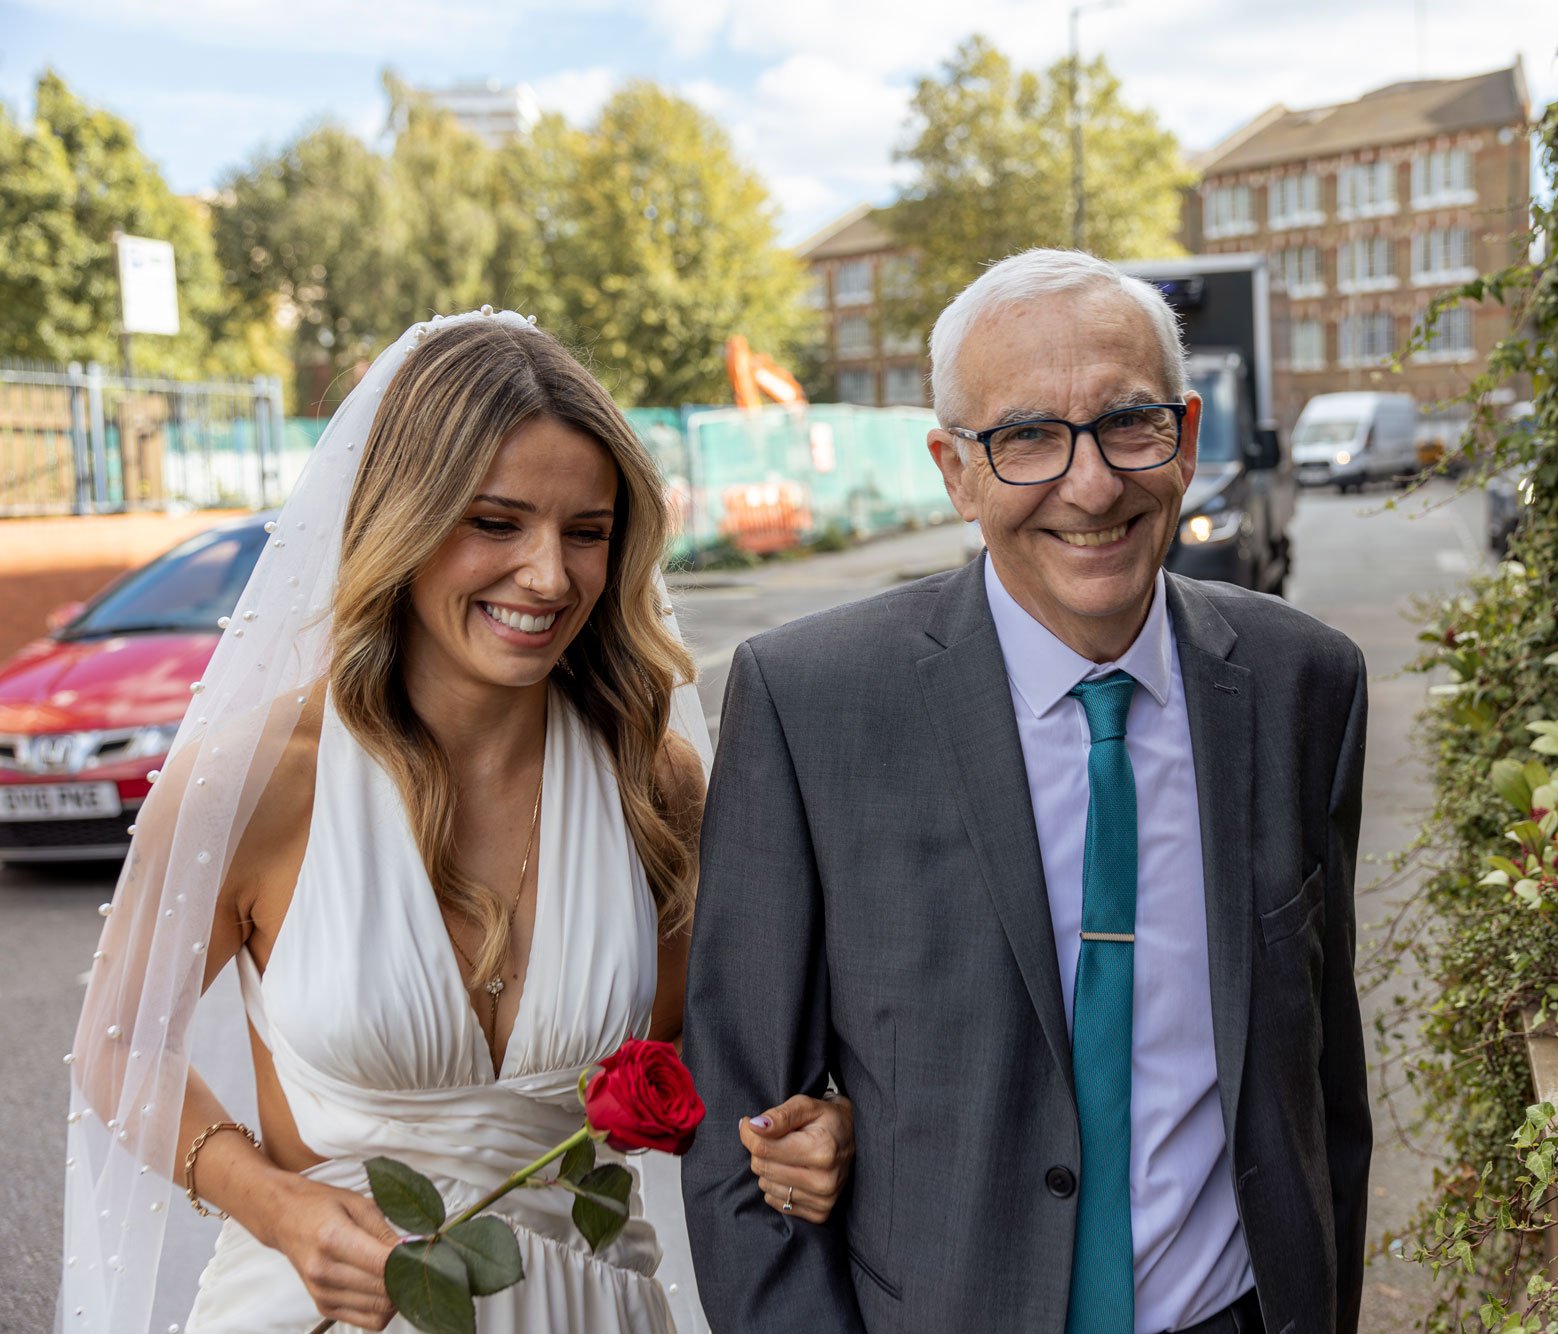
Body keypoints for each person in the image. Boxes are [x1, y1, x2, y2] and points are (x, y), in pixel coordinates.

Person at [59, 310, 854, 1334]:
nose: (548, 574)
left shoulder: (654, 785)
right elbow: (118, 1041)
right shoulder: (257, 778)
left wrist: (815, 1125)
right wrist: (277, 1204)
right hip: (314, 1309)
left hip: (592, 1307)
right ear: (405, 517)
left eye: (586, 531)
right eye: (495, 521)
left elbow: (734, 1067)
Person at [682, 249, 1373, 1333]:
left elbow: (1321, 1085)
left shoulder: (1303, 683)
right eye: (1026, 438)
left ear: (1184, 439)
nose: (1089, 483)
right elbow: (742, 1129)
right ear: (955, 471)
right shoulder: (808, 701)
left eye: (1126, 422)